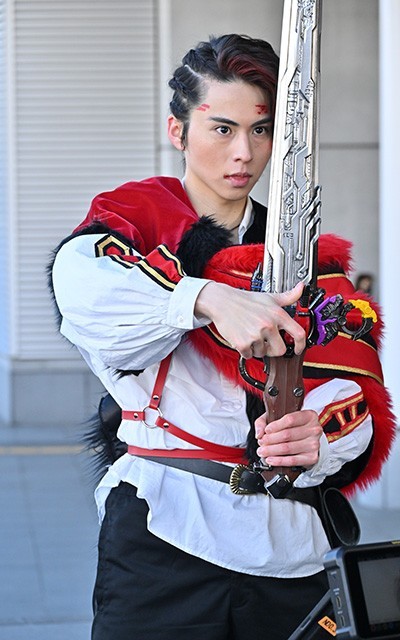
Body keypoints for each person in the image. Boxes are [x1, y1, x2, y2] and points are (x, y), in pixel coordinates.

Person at [49, 34, 395, 640]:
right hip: (164, 536)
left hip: (291, 544)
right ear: (178, 131)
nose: (244, 152)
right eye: (222, 129)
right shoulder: (131, 226)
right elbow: (86, 295)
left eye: (261, 131)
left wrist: (317, 436)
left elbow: (354, 397)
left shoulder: (307, 257)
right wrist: (207, 298)